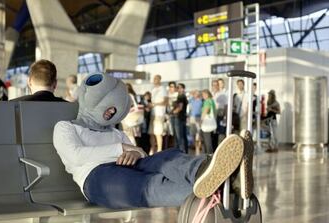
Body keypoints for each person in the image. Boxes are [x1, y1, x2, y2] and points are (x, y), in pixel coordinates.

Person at [53, 72, 254, 212]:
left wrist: (135, 153)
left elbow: (140, 153)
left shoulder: (115, 132)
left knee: (166, 158)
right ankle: (223, 189)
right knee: (151, 185)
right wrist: (121, 149)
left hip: (128, 166)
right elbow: (75, 156)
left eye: (115, 110)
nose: (111, 112)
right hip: (95, 178)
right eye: (109, 108)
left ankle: (207, 169)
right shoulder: (66, 127)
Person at [149, 74, 167, 154]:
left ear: (159, 80)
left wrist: (155, 104)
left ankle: (159, 150)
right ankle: (153, 148)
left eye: (156, 79)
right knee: (151, 133)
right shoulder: (153, 90)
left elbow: (165, 102)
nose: (154, 80)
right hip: (153, 113)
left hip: (160, 114)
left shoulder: (162, 89)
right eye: (154, 79)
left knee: (158, 133)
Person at [171, 83, 188, 153]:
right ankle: (184, 152)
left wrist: (172, 112)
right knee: (182, 136)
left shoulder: (181, 96)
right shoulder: (182, 96)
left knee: (178, 137)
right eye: (177, 88)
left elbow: (180, 108)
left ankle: (181, 153)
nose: (178, 89)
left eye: (180, 88)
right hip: (182, 118)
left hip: (178, 118)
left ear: (183, 89)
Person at [200, 89, 216, 155]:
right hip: (212, 123)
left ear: (207, 94)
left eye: (204, 94)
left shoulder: (207, 101)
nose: (203, 96)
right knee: (210, 140)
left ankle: (208, 155)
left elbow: (206, 110)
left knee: (207, 141)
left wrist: (201, 120)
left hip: (207, 124)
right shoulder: (212, 101)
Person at [188, 90, 203, 154]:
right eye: (194, 93)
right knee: (193, 133)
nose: (195, 94)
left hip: (198, 118)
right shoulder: (192, 100)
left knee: (198, 133)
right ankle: (195, 146)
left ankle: (198, 147)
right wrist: (192, 93)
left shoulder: (201, 101)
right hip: (192, 118)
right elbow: (189, 98)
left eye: (196, 93)